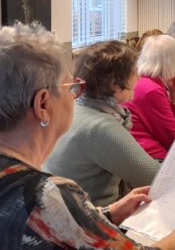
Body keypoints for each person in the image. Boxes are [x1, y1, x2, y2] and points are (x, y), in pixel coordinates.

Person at [0, 23, 175, 250]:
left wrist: (106, 214)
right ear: (43, 104)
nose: (75, 98)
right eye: (72, 88)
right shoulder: (47, 195)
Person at [44, 41, 159, 206]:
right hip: (94, 220)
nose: (139, 77)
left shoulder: (75, 106)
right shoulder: (100, 127)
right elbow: (154, 178)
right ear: (114, 83)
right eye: (134, 72)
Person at [124, 35, 175, 161]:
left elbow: (171, 126)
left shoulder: (144, 80)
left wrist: (174, 93)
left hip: (146, 152)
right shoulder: (151, 90)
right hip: (154, 159)